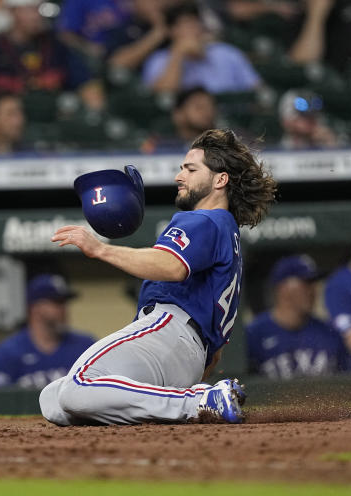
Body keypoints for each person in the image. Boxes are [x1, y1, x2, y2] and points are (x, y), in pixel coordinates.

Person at [41, 128, 278, 425]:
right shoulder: (226, 231)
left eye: (191, 169)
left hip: (169, 330)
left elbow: (171, 266)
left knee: (77, 386)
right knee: (53, 398)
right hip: (190, 356)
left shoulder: (205, 219)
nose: (179, 177)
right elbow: (216, 354)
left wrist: (100, 250)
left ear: (221, 179)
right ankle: (195, 400)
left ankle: (196, 402)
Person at [0, 0, 104, 110]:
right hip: (12, 117)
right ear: (12, 11)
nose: (36, 16)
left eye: (39, 9)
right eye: (29, 10)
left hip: (54, 116)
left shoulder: (55, 43)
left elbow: (87, 83)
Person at [246, 255, 347, 380]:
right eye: (306, 283)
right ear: (282, 288)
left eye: (314, 284)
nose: (313, 290)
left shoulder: (330, 334)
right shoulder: (253, 335)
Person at [0, 274, 96, 389]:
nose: (64, 309)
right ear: (35, 308)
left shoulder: (85, 347)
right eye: (57, 302)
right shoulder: (8, 352)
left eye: (64, 303)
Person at [141, 1, 261, 94]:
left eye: (195, 23)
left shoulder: (227, 52)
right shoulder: (158, 60)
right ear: (172, 31)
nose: (193, 29)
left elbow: (256, 89)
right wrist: (178, 53)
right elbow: (164, 95)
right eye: (186, 24)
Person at [106, 0, 168, 73]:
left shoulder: (172, 29)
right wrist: (157, 34)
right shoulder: (121, 30)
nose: (156, 3)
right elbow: (115, 65)